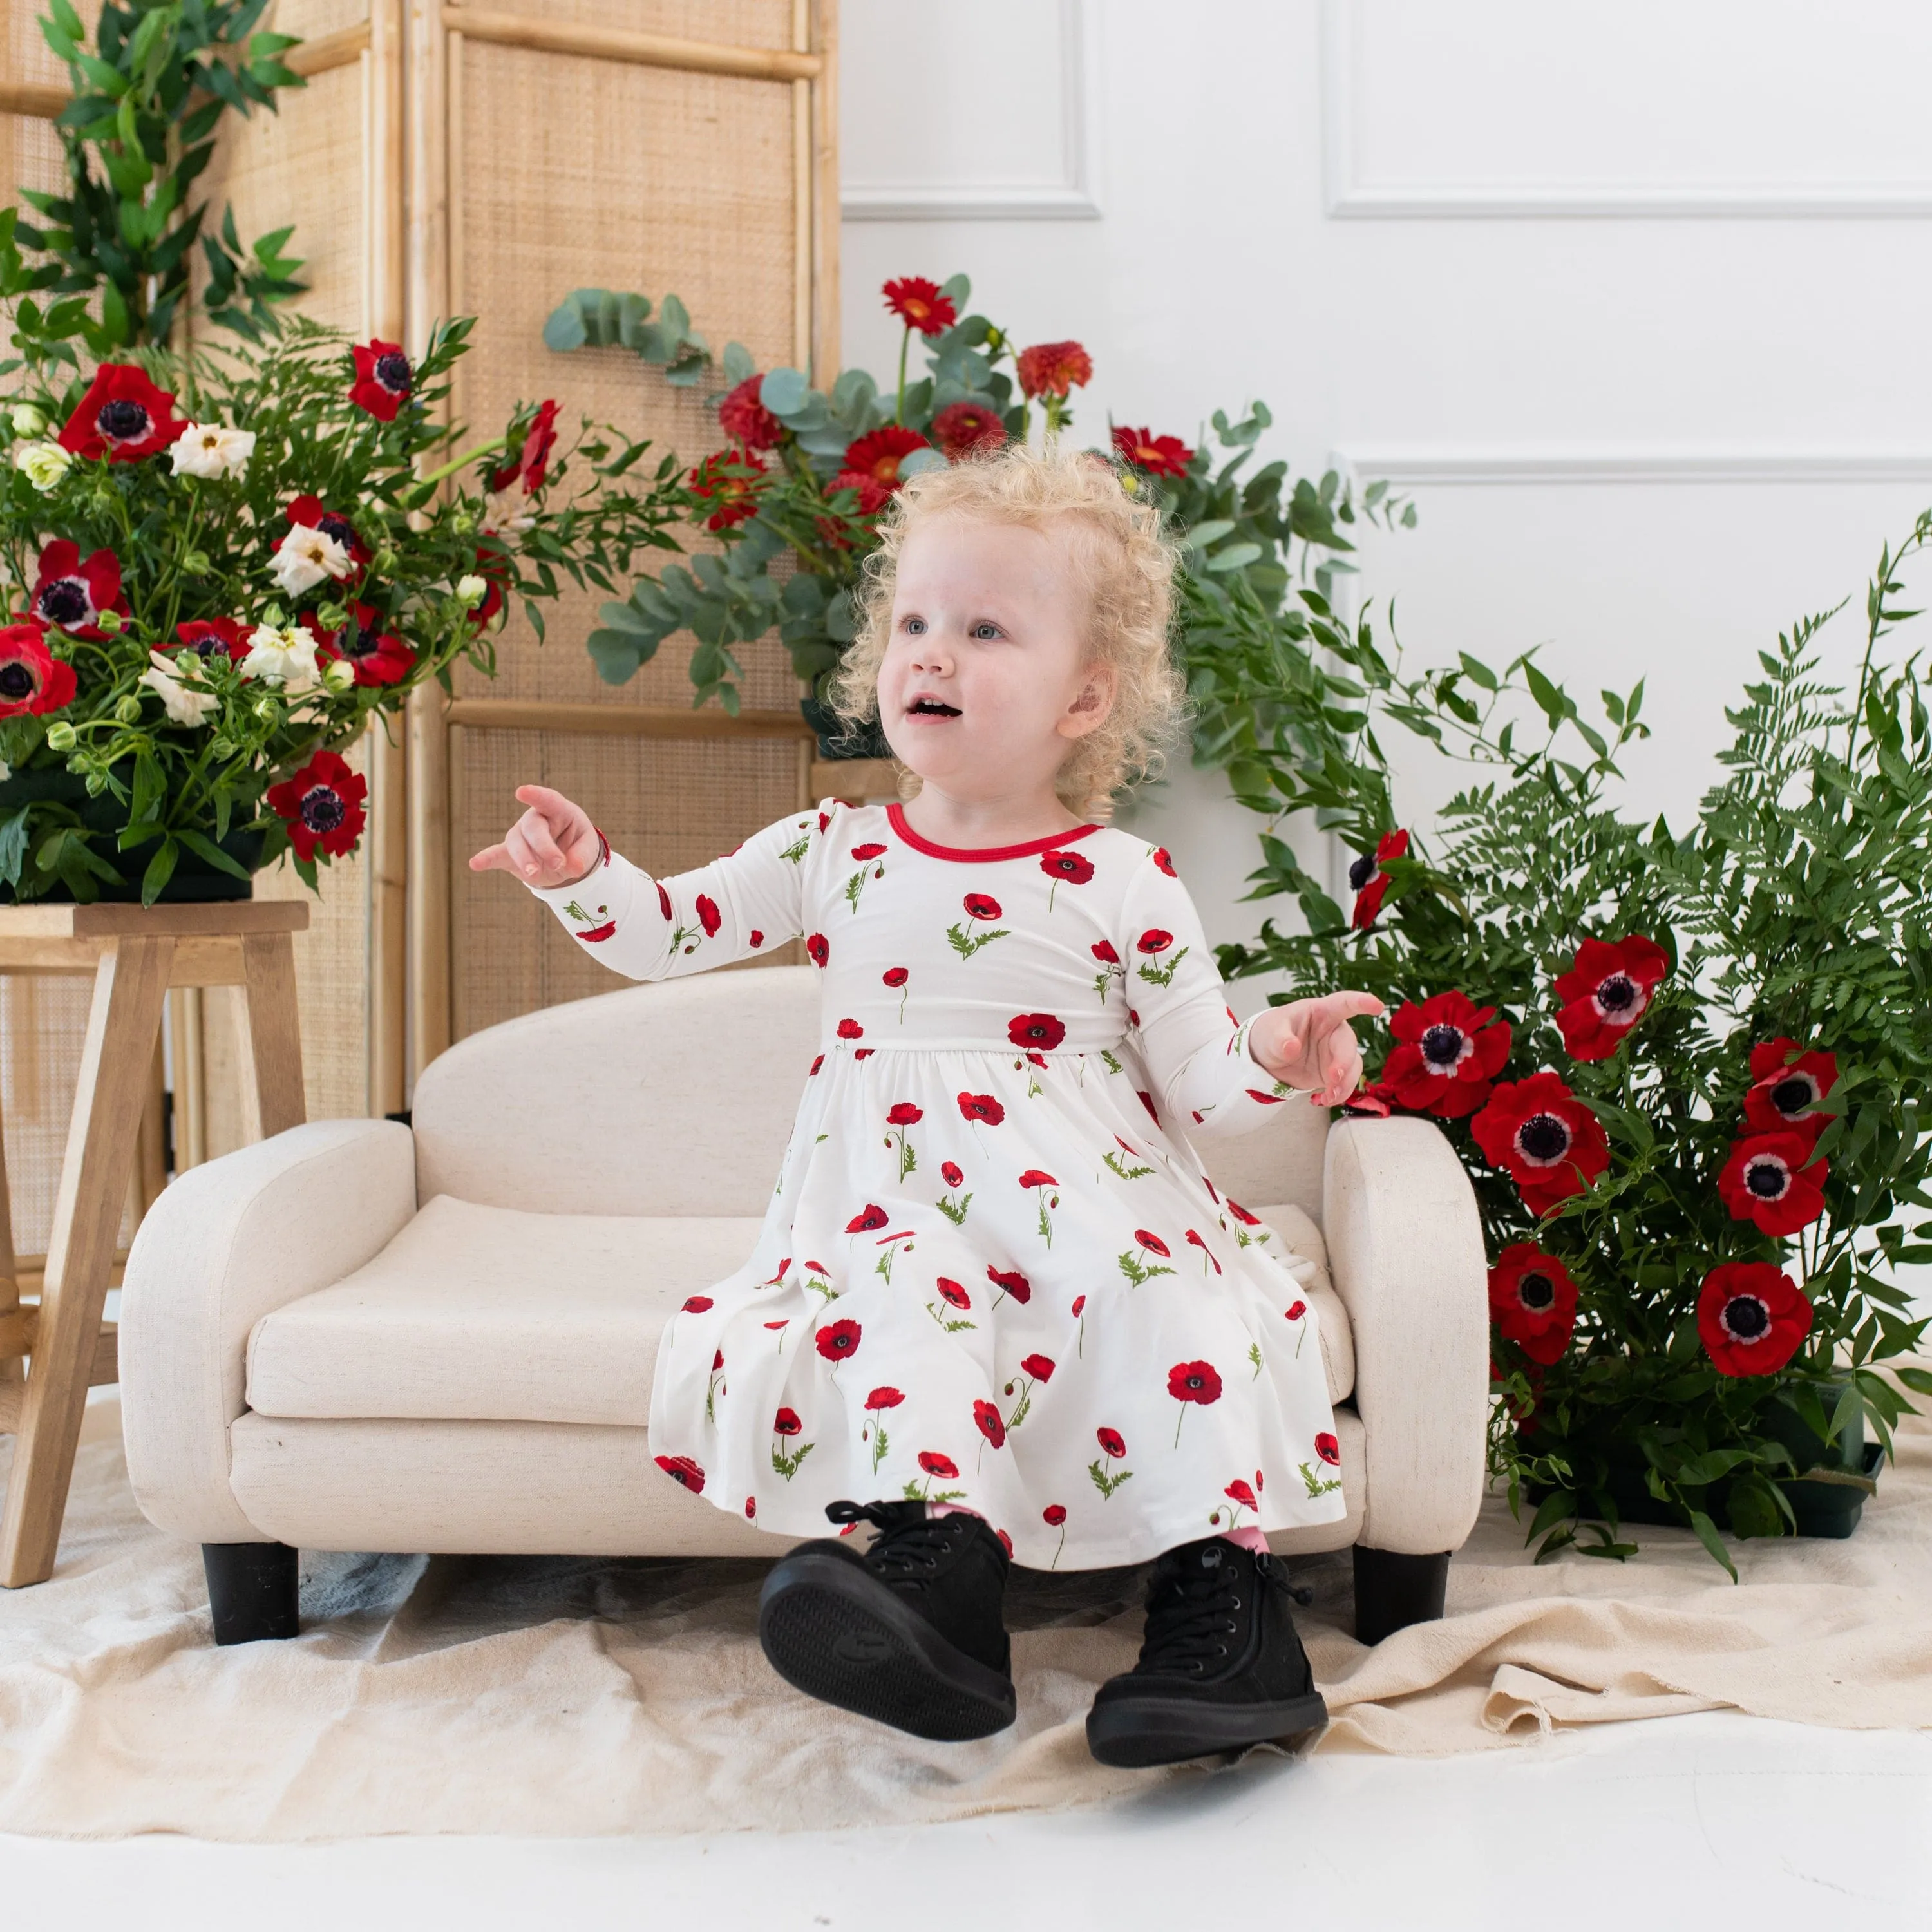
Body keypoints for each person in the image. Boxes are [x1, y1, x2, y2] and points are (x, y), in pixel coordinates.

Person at [470, 441, 1382, 1766]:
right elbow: (671, 931)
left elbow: (1202, 1079)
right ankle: (937, 1580)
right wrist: (585, 875)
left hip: (1094, 1202)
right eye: (914, 623)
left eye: (985, 628)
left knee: (1171, 1304)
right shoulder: (829, 848)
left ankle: (1223, 1613)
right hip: (893, 1204)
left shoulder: (1120, 875)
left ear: (1085, 699)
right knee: (897, 1307)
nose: (933, 653)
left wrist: (1275, 1048)